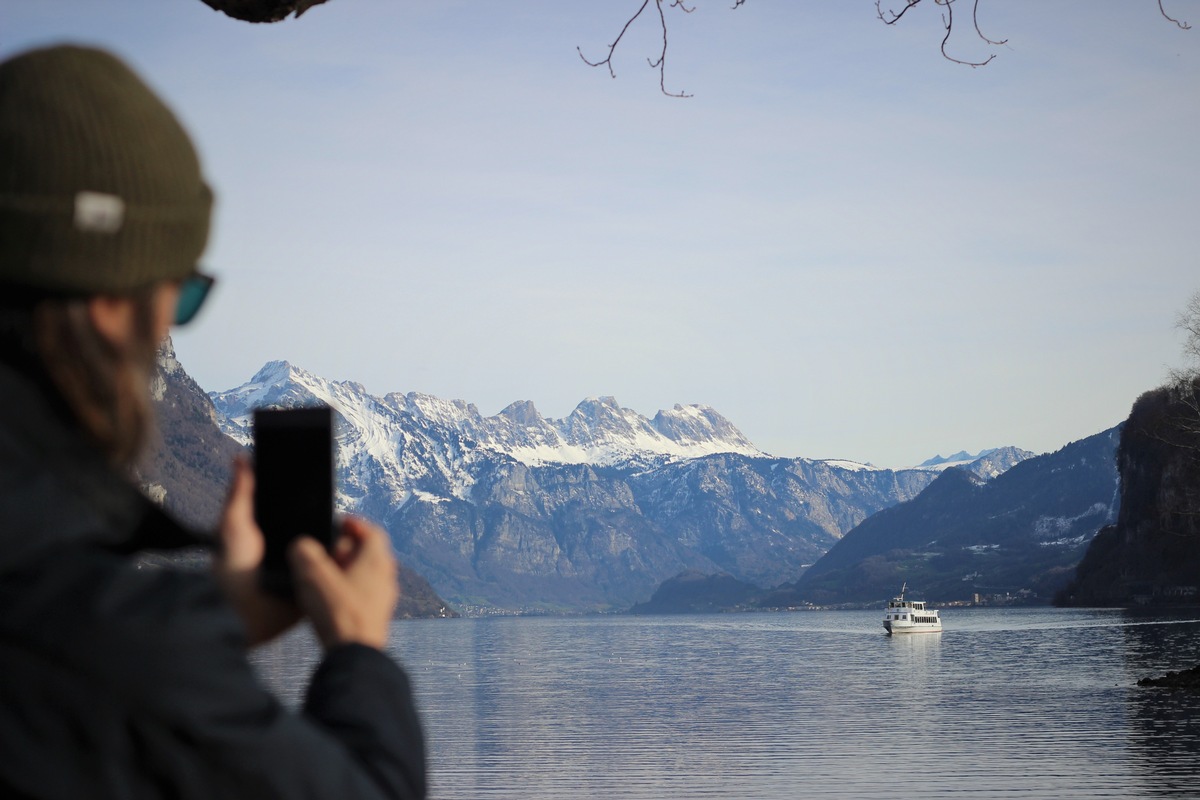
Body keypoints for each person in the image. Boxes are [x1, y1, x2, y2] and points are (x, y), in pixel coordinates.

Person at [0, 44, 426, 799]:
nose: (174, 325)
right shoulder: (110, 648)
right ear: (107, 304)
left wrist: (220, 614)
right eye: (182, 296)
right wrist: (358, 652)